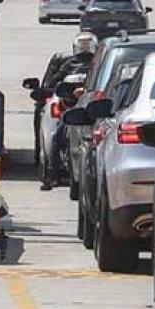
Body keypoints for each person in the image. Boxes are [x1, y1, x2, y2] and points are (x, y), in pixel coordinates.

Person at [41, 33, 98, 191]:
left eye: (88, 45)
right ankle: (51, 176)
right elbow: (53, 84)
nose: (85, 48)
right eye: (83, 45)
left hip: (93, 111)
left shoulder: (99, 64)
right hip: (71, 109)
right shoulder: (68, 64)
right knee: (57, 136)